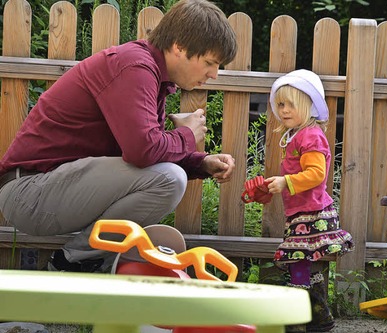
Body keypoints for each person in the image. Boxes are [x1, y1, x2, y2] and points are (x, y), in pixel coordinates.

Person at [0, 0, 237, 272]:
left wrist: (201, 162)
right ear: (179, 46)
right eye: (209, 62)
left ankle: (100, 257)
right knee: (170, 179)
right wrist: (187, 135)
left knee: (169, 174)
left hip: (52, 189)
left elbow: (147, 153)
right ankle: (78, 260)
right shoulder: (133, 67)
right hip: (30, 194)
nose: (214, 75)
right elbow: (142, 152)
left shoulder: (148, 72)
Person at [265, 69, 354, 333]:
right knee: (304, 263)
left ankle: (303, 318)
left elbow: (316, 175)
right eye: (280, 104)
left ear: (309, 105)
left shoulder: (311, 136)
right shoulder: (297, 135)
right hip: (302, 213)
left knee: (300, 261)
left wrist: (286, 182)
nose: (284, 110)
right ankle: (317, 317)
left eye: (291, 104)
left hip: (313, 214)